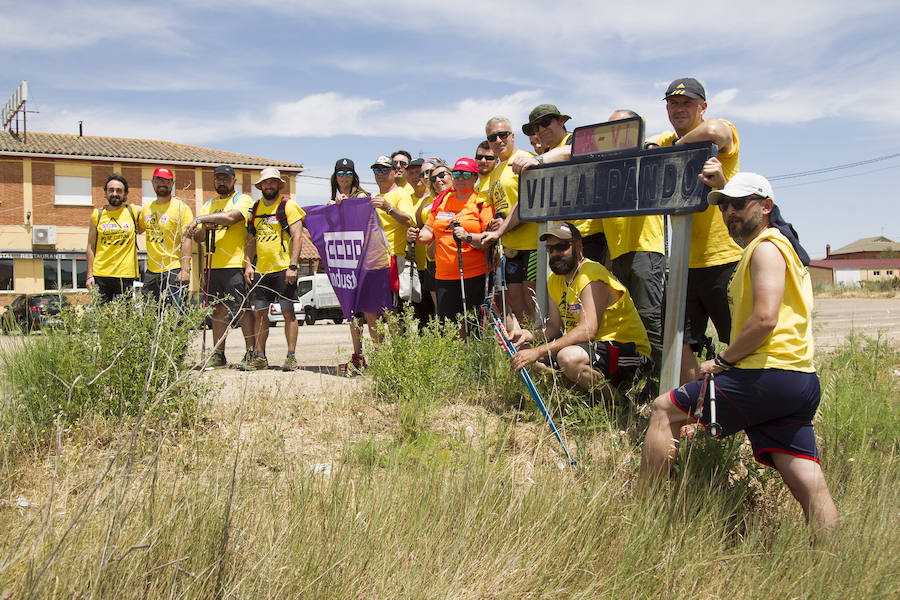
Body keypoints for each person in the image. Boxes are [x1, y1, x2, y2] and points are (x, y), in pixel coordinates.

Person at [639, 172, 838, 539]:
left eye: (739, 203)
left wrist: (723, 361)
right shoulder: (780, 247)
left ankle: (642, 520)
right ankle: (831, 560)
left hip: (765, 375)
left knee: (664, 410)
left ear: (766, 207)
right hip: (798, 379)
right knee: (806, 479)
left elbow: (764, 318)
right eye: (724, 205)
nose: (730, 211)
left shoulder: (765, 247)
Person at [654, 77, 744, 384]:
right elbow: (647, 147)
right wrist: (660, 147)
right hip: (682, 265)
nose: (679, 109)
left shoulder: (721, 133)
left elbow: (715, 131)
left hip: (724, 259)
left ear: (702, 107)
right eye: (673, 103)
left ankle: (745, 414)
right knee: (678, 342)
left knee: (739, 342)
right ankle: (694, 406)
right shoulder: (665, 140)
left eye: (687, 103)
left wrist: (678, 148)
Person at [507, 222, 651, 391]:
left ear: (578, 246)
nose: (555, 254)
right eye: (550, 249)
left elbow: (587, 330)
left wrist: (538, 351)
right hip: (591, 351)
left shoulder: (591, 273)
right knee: (524, 354)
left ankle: (618, 407)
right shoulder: (555, 279)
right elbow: (554, 327)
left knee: (567, 358)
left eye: (561, 247)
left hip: (628, 351)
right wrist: (529, 335)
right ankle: (577, 398)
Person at [512, 104, 608, 264]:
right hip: (560, 236)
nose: (541, 130)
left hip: (589, 235)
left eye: (546, 122)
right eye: (535, 127)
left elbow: (570, 151)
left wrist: (537, 159)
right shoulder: (546, 153)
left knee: (588, 284)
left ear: (561, 121)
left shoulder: (574, 140)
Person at [407, 158, 493, 336]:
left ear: (475, 177)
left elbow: (489, 239)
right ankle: (455, 363)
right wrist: (415, 235)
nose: (460, 178)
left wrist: (468, 237)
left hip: (473, 273)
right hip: (444, 273)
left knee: (473, 324)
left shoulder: (481, 201)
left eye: (466, 174)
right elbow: (429, 231)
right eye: (457, 174)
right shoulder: (443, 200)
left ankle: (475, 362)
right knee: (449, 326)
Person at [185, 164, 255, 369]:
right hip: (213, 266)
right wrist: (204, 228)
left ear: (234, 180)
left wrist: (201, 219)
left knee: (242, 309)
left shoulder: (241, 199)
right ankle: (218, 355)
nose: (221, 182)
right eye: (218, 179)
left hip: (235, 264)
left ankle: (251, 353)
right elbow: (198, 237)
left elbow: (231, 218)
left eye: (225, 178)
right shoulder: (209, 204)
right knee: (218, 311)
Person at [241, 167, 306, 371]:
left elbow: (298, 236)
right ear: (260, 186)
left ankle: (291, 356)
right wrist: (248, 264)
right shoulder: (255, 208)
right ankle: (260, 357)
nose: (269, 186)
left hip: (283, 269)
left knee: (288, 312)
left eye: (272, 182)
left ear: (279, 184)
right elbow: (250, 239)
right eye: (265, 183)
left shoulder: (288, 206)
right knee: (259, 314)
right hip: (261, 271)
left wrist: (293, 266)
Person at [478, 116, 537, 324]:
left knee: (534, 301)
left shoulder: (524, 159)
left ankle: (544, 350)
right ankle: (528, 349)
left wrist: (501, 228)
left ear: (512, 136)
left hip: (532, 245)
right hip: (509, 247)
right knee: (515, 302)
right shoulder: (495, 172)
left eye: (503, 135)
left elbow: (528, 202)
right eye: (492, 137)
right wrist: (496, 221)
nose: (498, 140)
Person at [327, 158, 378, 371]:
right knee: (352, 313)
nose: (345, 176)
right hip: (346, 262)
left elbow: (363, 215)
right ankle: (358, 356)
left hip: (365, 262)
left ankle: (379, 357)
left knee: (370, 312)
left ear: (354, 176)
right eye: (341, 172)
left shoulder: (362, 195)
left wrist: (344, 206)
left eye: (349, 173)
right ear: (335, 176)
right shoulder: (334, 198)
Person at [137, 167, 193, 307]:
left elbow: (187, 239)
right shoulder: (147, 208)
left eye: (166, 181)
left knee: (177, 318)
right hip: (151, 272)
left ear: (172, 183)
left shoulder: (181, 208)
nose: (162, 184)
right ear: (152, 182)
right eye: (158, 180)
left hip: (173, 270)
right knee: (149, 317)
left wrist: (185, 270)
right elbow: (138, 229)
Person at [86, 173, 141, 303]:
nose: (115, 193)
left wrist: (170, 200)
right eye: (111, 190)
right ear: (105, 193)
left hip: (125, 274)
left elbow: (153, 210)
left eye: (119, 190)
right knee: (102, 317)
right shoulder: (97, 215)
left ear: (125, 195)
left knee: (127, 316)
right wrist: (89, 275)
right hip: (101, 274)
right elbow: (90, 247)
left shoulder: (132, 211)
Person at [371, 155, 415, 313]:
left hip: (394, 261)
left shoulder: (401, 194)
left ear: (394, 172)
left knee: (393, 311)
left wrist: (389, 208)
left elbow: (409, 221)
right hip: (375, 262)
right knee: (379, 310)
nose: (380, 173)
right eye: (377, 170)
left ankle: (398, 339)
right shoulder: (375, 198)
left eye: (384, 169)